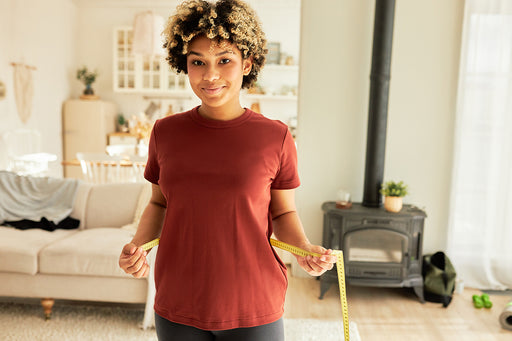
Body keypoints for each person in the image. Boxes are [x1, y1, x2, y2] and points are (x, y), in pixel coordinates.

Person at [118, 0, 336, 340]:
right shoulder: (164, 132)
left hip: (254, 299)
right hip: (179, 298)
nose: (210, 75)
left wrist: (304, 247)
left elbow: (283, 211)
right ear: (184, 65)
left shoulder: (275, 136)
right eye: (197, 62)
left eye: (225, 60)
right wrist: (138, 246)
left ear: (247, 63)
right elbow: (159, 204)